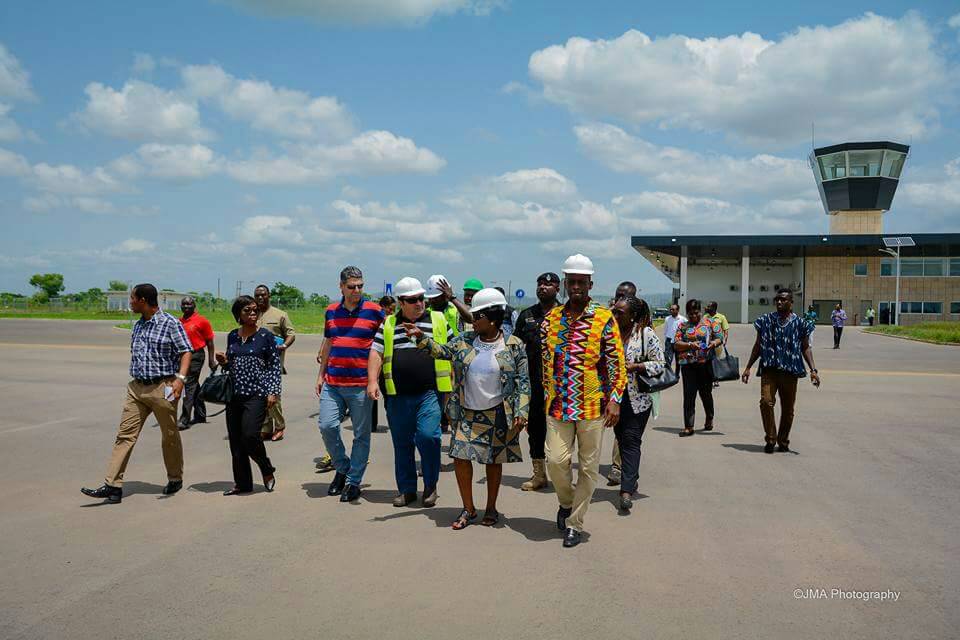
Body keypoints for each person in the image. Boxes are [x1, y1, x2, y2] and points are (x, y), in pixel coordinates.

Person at [408, 288, 529, 529]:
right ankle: (468, 508)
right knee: (461, 458)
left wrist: (521, 412)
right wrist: (421, 338)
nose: (472, 320)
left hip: (498, 413)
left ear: (493, 319)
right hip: (466, 413)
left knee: (493, 461)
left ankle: (491, 508)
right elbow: (441, 351)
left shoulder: (514, 345)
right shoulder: (463, 341)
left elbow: (523, 382)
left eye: (478, 316)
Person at [542, 254, 626, 548]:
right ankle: (566, 502)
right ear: (565, 284)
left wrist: (614, 399)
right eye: (572, 282)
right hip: (558, 405)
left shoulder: (604, 318)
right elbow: (545, 363)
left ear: (590, 284)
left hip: (592, 406)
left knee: (589, 468)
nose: (576, 287)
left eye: (582, 282)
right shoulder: (552, 319)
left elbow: (617, 363)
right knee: (556, 461)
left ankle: (575, 523)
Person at [81, 284, 192, 504]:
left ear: (142, 300)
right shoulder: (139, 325)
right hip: (136, 389)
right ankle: (113, 486)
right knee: (125, 435)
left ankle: (175, 477)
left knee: (169, 436)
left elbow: (186, 350)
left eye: (132, 299)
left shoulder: (169, 323)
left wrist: (180, 380)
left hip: (162, 388)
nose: (130, 302)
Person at [368, 277, 453, 508]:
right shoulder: (387, 324)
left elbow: (453, 349)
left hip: (429, 393)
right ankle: (406, 490)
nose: (419, 303)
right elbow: (376, 352)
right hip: (397, 395)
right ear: (400, 302)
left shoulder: (438, 320)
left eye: (421, 298)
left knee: (429, 437)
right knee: (402, 443)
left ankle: (430, 486)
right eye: (412, 299)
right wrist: (372, 381)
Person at [315, 267, 385, 503]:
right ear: (341, 286)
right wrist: (320, 375)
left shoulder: (375, 312)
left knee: (361, 435)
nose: (357, 290)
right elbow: (328, 343)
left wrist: (375, 381)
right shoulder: (331, 311)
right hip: (332, 382)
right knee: (327, 426)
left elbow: (383, 346)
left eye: (360, 286)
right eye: (352, 286)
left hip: (360, 385)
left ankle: (354, 481)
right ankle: (343, 467)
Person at [741, 289, 821, 453]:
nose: (779, 302)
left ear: (791, 303)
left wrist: (813, 369)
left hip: (790, 372)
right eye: (777, 299)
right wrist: (748, 367)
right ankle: (770, 438)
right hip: (769, 370)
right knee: (766, 402)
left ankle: (783, 441)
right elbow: (758, 345)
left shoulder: (800, 323)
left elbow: (805, 347)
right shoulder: (765, 321)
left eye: (783, 300)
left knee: (788, 409)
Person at [214, 296, 279, 495]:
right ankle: (242, 483)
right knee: (236, 441)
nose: (252, 313)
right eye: (247, 310)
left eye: (254, 310)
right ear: (238, 315)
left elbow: (273, 365)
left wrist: (273, 391)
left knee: (250, 435)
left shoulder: (266, 336)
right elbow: (231, 365)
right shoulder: (233, 336)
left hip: (257, 394)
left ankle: (266, 468)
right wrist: (224, 361)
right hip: (234, 395)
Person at [610, 295, 663, 511]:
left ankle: (626, 490)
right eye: (614, 311)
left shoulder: (645, 334)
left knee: (631, 440)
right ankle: (632, 477)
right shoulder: (609, 334)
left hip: (637, 399)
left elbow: (661, 363)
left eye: (619, 313)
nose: (614, 315)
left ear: (632, 316)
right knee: (622, 440)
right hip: (614, 398)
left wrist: (637, 367)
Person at [514, 272, 560, 491]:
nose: (543, 287)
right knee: (535, 430)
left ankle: (561, 474)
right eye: (540, 284)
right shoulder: (527, 315)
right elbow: (515, 347)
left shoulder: (565, 315)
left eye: (548, 284)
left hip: (560, 386)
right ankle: (539, 474)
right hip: (533, 384)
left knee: (560, 431)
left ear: (558, 288)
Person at [673, 298, 723, 437]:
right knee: (689, 396)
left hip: (705, 365)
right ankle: (689, 426)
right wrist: (690, 345)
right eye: (690, 314)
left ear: (700, 311)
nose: (694, 316)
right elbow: (676, 344)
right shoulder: (682, 326)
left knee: (705, 393)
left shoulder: (711, 323)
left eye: (696, 313)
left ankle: (709, 417)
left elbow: (720, 337)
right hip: (688, 366)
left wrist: (713, 343)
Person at [254, 285, 296, 440]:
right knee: (259, 396)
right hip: (255, 362)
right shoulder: (252, 314)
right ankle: (266, 427)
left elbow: (291, 333)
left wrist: (284, 345)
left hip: (273, 362)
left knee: (273, 396)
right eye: (257, 295)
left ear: (268, 295)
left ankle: (279, 426)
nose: (260, 298)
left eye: (263, 295)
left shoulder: (280, 315)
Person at [425, 275, 459, 434]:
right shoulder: (426, 313)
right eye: (431, 298)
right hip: (434, 366)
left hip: (456, 363)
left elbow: (470, 321)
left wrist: (454, 298)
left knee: (454, 406)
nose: (433, 301)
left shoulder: (456, 310)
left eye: (436, 298)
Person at [177, 296, 216, 430]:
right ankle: (200, 414)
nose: (186, 306)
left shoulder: (202, 321)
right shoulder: (179, 321)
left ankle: (184, 419)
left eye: (189, 304)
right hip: (182, 356)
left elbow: (210, 342)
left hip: (196, 355)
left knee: (189, 385)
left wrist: (211, 360)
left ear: (194, 306)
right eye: (184, 304)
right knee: (193, 385)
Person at [662, 303, 686, 375]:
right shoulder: (667, 319)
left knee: (678, 360)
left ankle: (676, 375)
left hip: (678, 342)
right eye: (671, 309)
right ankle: (668, 375)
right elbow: (666, 330)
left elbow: (685, 331)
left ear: (677, 310)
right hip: (669, 341)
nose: (671, 310)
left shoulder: (683, 320)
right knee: (668, 359)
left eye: (673, 309)